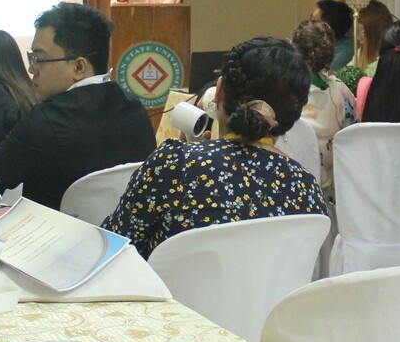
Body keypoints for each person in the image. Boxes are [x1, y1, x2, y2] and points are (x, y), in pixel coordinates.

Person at [104, 37, 327, 257]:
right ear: (295, 114)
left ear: (218, 91)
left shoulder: (173, 166)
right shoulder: (307, 189)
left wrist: (195, 158)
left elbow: (115, 247)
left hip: (173, 283)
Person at [0, 2, 156, 207]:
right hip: (123, 227)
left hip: (53, 227)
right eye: (32, 58)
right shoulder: (134, 108)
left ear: (79, 67)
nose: (32, 69)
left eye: (39, 59)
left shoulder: (46, 121)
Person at [291, 19, 355, 190]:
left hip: (290, 174)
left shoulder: (285, 87)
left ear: (294, 48)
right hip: (328, 180)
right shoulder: (340, 90)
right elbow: (351, 131)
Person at [312, 0, 356, 70]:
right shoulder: (320, 46)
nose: (309, 25)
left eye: (314, 22)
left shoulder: (345, 52)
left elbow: (324, 74)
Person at [353, 0, 394, 74]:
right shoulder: (360, 52)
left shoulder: (391, 61)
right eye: (357, 31)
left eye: (361, 32)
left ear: (375, 32)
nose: (358, 38)